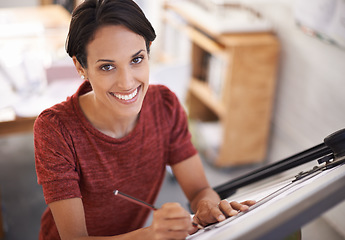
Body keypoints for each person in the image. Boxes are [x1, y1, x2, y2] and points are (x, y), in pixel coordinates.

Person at [34, 0, 255, 239]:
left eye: (137, 59)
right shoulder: (55, 130)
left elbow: (200, 189)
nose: (127, 82)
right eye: (107, 67)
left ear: (149, 49)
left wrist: (207, 207)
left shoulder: (165, 106)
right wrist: (152, 235)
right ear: (81, 67)